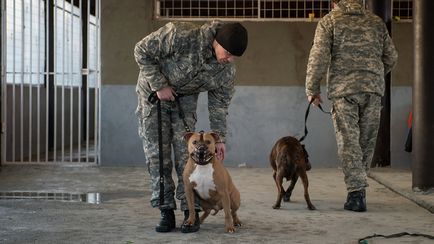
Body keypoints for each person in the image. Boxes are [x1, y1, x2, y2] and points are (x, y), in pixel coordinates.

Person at [134, 21, 248, 232]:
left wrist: (220, 138)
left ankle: (190, 212)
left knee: (189, 157)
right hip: (153, 97)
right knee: (158, 157)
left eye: (234, 57)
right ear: (217, 41)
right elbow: (141, 50)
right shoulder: (182, 35)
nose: (229, 60)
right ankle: (165, 210)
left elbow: (220, 105)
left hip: (183, 101)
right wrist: (159, 84)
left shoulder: (225, 71)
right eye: (228, 53)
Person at [305, 0, 398, 212]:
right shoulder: (376, 22)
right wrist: (372, 74)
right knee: (366, 141)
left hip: (344, 90)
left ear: (334, 2)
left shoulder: (329, 21)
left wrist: (312, 89)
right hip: (372, 90)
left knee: (349, 141)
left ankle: (356, 194)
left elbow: (318, 56)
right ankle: (359, 191)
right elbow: (391, 57)